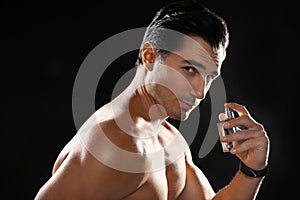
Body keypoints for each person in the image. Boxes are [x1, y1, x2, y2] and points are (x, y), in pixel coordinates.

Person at [34, 0, 270, 199]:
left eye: (209, 77)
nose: (200, 93)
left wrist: (251, 169)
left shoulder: (168, 138)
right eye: (189, 69)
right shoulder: (115, 144)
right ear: (149, 56)